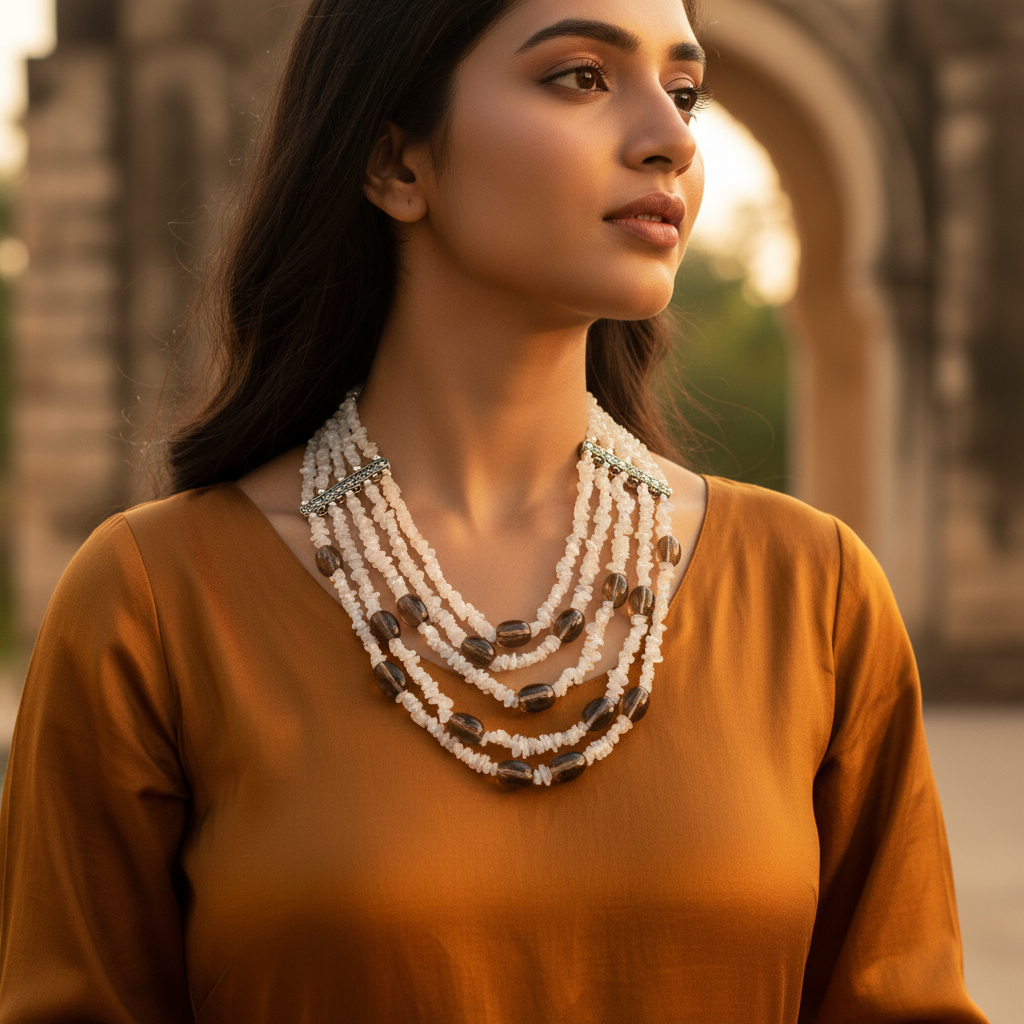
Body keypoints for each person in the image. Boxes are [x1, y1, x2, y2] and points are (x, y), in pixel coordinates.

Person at [0, 0, 989, 1020]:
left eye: (684, 91)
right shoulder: (155, 602)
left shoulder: (810, 592)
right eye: (580, 77)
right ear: (396, 164)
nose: (672, 138)